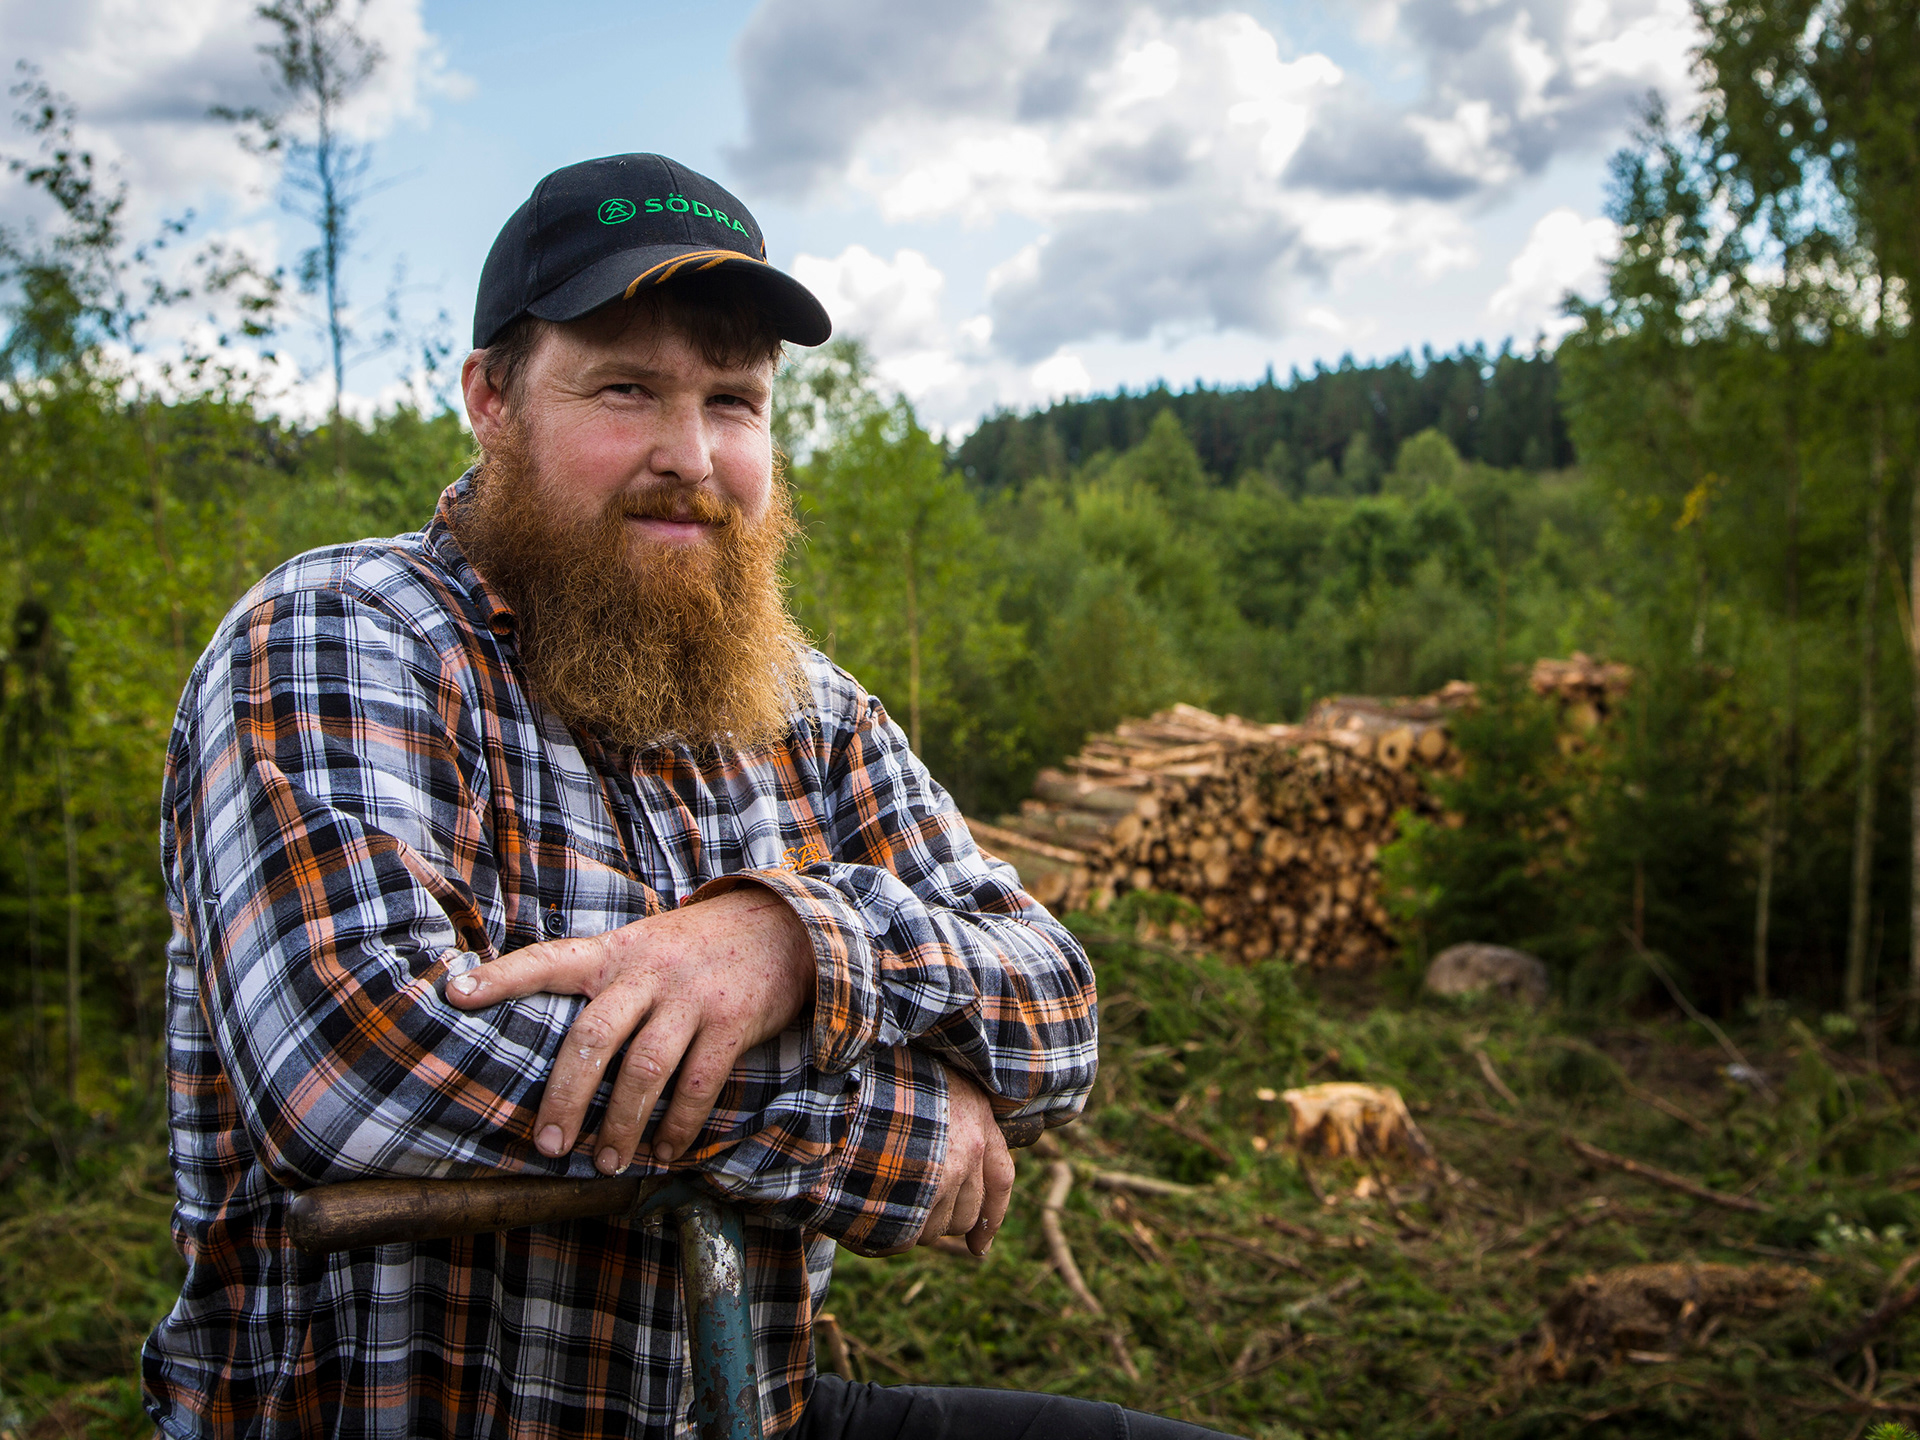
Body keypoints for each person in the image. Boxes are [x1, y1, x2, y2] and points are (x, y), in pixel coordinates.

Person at [142, 152, 1234, 1440]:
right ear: (491, 399)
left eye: (734, 400)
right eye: (626, 389)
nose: (693, 456)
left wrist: (791, 940)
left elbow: (1055, 1007)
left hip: (741, 1409)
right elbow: (363, 1066)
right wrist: (889, 1127)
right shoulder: (341, 635)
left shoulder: (803, 708)